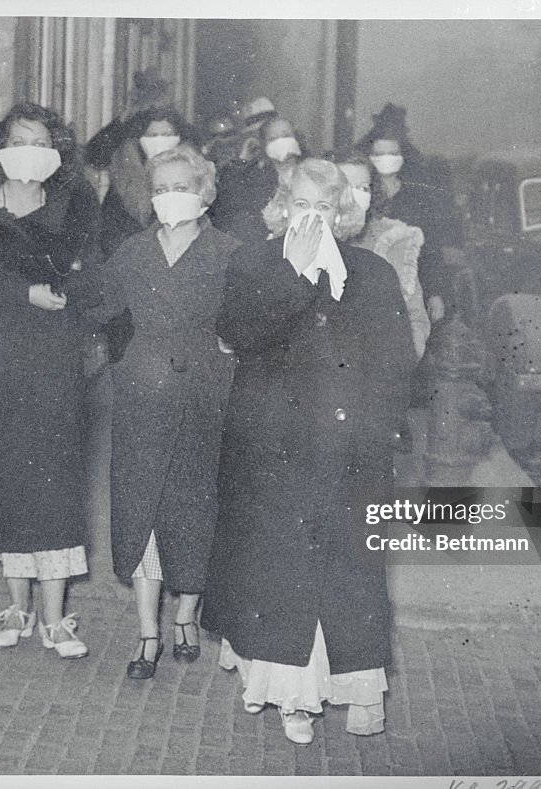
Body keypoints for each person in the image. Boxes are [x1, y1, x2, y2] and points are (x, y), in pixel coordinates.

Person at [201, 159, 415, 744]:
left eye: (324, 207)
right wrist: (292, 277)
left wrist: (374, 427)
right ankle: (295, 697)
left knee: (351, 573)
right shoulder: (253, 263)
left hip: (351, 451)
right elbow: (239, 336)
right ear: (281, 207)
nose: (311, 218)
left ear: (343, 213)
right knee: (285, 576)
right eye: (301, 205)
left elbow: (398, 363)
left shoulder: (370, 272)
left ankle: (360, 691)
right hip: (276, 451)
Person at [0, 102, 102, 659]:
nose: (27, 151)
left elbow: (94, 287)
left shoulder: (74, 213)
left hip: (55, 365)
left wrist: (63, 292)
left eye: (40, 142)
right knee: (6, 480)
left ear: (56, 155)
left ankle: (57, 618)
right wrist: (20, 293)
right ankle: (18, 607)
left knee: (54, 483)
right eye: (17, 139)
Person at [85, 145, 240, 680]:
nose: (170, 198)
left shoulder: (228, 253)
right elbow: (97, 303)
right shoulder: (133, 251)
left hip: (205, 395)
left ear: (204, 193)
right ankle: (148, 632)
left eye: (182, 187)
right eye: (160, 188)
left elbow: (249, 323)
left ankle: (187, 616)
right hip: (143, 393)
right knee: (140, 507)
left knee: (195, 507)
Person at [356, 103, 461, 324]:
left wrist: (435, 293)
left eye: (393, 153)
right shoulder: (361, 196)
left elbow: (430, 251)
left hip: (409, 293)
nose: (386, 158)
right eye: (379, 154)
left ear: (402, 156)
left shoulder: (417, 199)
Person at [333, 151, 430, 360]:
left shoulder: (395, 242)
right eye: (345, 187)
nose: (355, 195)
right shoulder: (308, 238)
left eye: (363, 188)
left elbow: (415, 318)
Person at [86, 105, 202, 257]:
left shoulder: (194, 173)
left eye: (167, 134)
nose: (160, 140)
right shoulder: (124, 177)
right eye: (153, 135)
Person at [210, 115, 309, 244]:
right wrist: (243, 159)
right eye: (273, 138)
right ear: (264, 145)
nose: (281, 142)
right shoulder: (256, 178)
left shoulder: (310, 172)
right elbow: (227, 202)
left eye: (286, 135)